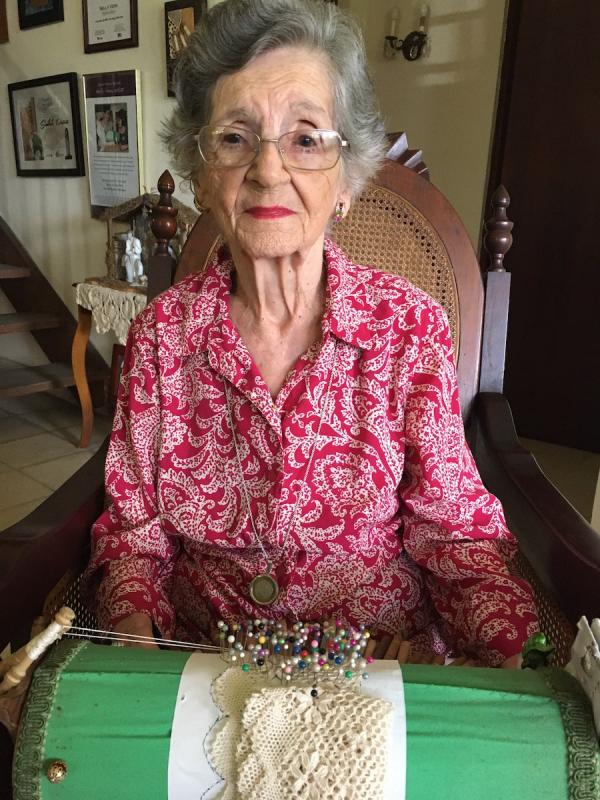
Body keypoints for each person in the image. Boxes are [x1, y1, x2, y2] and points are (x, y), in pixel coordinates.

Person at [83, 0, 538, 667]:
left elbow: (454, 531)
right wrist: (133, 629)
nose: (269, 170)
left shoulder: (406, 327)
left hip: (379, 669)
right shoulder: (162, 335)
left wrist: (510, 649)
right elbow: (134, 530)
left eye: (305, 138)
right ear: (203, 179)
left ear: (347, 180)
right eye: (235, 139)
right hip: (206, 665)